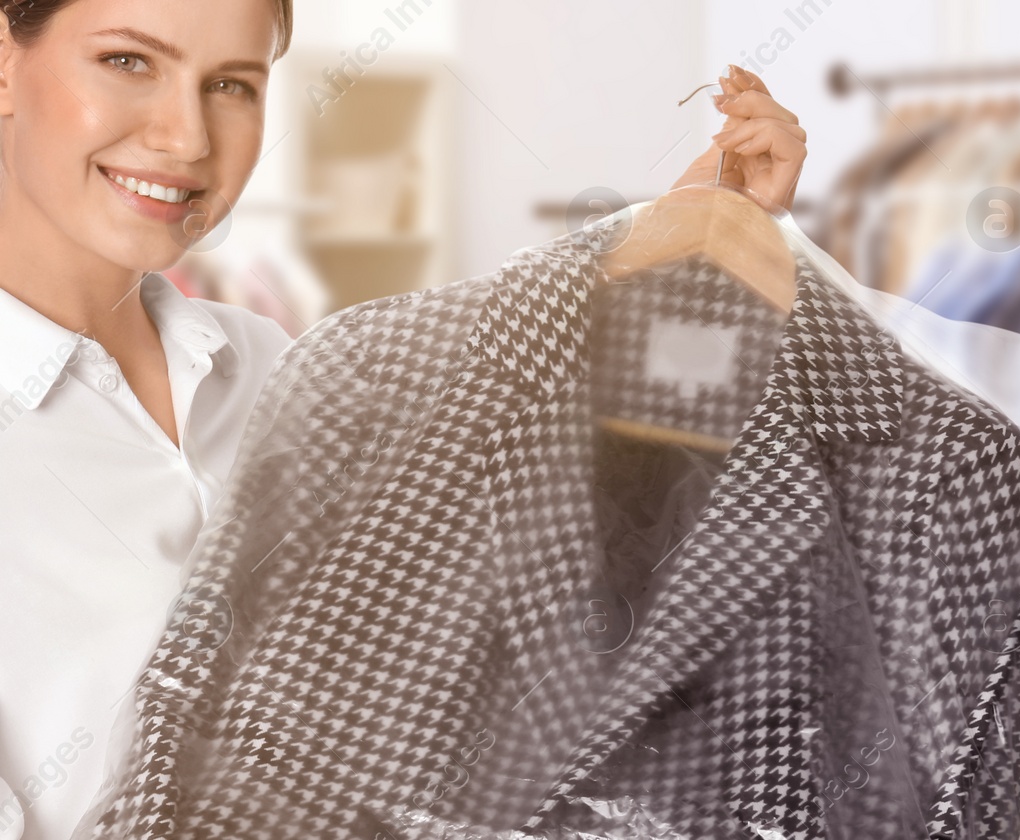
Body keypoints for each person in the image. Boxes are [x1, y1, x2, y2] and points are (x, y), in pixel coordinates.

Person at [0, 2, 808, 838]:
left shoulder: (276, 366)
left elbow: (526, 567)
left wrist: (691, 247)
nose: (187, 138)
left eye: (232, 84)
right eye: (128, 62)